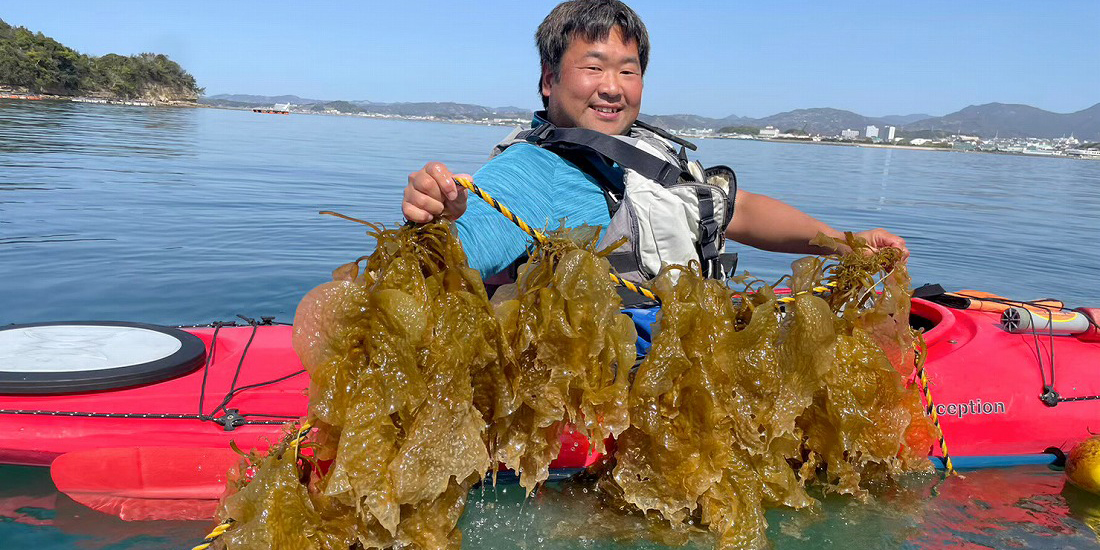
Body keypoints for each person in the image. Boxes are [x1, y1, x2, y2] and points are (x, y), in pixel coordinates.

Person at [401, 0, 907, 283]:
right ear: (548, 79)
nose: (613, 86)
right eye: (592, 67)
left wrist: (847, 244)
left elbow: (736, 210)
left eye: (629, 69)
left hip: (689, 363)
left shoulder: (645, 151)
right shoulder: (531, 173)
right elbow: (464, 252)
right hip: (608, 400)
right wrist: (439, 219)